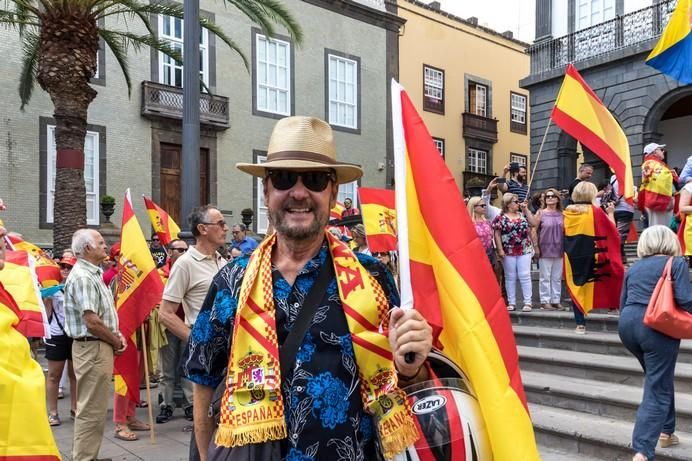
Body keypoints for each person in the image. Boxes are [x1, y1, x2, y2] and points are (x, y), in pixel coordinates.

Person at [185, 116, 432, 460]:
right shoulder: (231, 281)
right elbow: (203, 380)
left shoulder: (372, 277)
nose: (299, 193)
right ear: (266, 190)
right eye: (285, 179)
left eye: (314, 180)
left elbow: (406, 382)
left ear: (332, 192)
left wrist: (411, 365)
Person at [618, 226, 692, 461]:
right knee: (657, 388)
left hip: (628, 325)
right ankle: (642, 451)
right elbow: (686, 300)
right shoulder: (676, 263)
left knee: (657, 377)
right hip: (657, 326)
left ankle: (666, 430)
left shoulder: (634, 267)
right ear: (670, 241)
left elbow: (623, 301)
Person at [159, 205, 227, 457]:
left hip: (228, 352)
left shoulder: (224, 260)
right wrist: (198, 341)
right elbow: (165, 313)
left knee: (222, 414)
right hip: (206, 352)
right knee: (204, 416)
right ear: (202, 229)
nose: (226, 228)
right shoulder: (185, 263)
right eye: (220, 223)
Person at [63, 229, 127, 461]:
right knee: (91, 410)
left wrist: (114, 337)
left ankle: (87, 455)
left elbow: (100, 316)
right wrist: (115, 340)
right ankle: (84, 458)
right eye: (100, 242)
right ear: (87, 248)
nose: (105, 245)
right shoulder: (83, 276)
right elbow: (92, 321)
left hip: (96, 346)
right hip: (93, 347)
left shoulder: (92, 273)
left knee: (94, 408)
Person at [564, 182, 618, 334]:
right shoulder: (596, 212)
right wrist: (611, 213)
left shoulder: (568, 212)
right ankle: (612, 307)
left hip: (572, 255)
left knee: (577, 287)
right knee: (605, 278)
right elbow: (613, 231)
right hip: (594, 252)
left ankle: (580, 324)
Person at [157, 238, 194, 424]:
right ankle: (166, 404)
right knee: (167, 369)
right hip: (168, 326)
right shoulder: (159, 275)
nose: (183, 252)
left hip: (187, 325)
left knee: (188, 367)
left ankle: (190, 404)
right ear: (169, 252)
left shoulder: (190, 270)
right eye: (179, 249)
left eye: (186, 249)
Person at [44, 255, 78, 426]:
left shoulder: (78, 286)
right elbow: (47, 314)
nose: (65, 269)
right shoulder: (52, 288)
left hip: (75, 334)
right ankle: (53, 412)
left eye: (69, 266)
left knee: (75, 375)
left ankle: (74, 409)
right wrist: (46, 299)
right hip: (56, 334)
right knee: (53, 375)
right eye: (62, 266)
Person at [493, 192, 534, 312]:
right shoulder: (500, 217)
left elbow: (534, 223)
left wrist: (526, 210)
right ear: (508, 204)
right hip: (508, 250)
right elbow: (497, 234)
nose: (518, 203)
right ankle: (512, 302)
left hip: (524, 248)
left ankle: (528, 302)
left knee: (525, 275)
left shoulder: (522, 215)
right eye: (516, 202)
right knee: (510, 276)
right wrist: (500, 250)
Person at [526, 188, 564, 310]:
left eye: (553, 196)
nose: (550, 198)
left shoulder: (562, 214)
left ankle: (556, 300)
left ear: (558, 198)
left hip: (559, 248)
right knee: (545, 277)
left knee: (557, 277)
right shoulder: (540, 213)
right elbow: (533, 229)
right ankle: (545, 300)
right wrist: (536, 247)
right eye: (548, 196)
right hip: (545, 247)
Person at [639, 143, 676, 227]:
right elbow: (660, 182)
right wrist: (669, 200)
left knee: (659, 228)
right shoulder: (652, 163)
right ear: (654, 152)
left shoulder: (651, 164)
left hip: (656, 200)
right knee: (661, 229)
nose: (663, 151)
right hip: (659, 201)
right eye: (660, 149)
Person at [611, 174, 638, 262]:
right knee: (621, 235)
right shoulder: (630, 183)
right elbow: (635, 199)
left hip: (612, 209)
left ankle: (618, 255)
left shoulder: (613, 178)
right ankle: (619, 256)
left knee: (614, 233)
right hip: (626, 210)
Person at [467, 196, 496, 267]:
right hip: (475, 254)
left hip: (489, 253)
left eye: (485, 205)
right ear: (474, 207)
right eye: (482, 206)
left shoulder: (487, 221)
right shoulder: (469, 223)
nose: (484, 207)